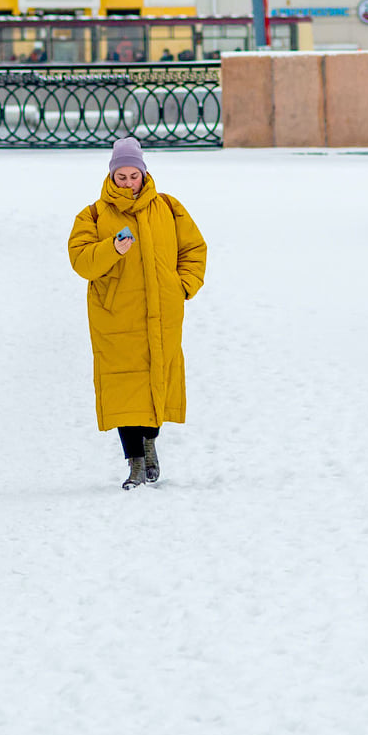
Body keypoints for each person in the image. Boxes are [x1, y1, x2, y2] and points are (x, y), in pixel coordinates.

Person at [67, 137, 208, 490]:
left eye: (133, 175)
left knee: (156, 380)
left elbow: (194, 249)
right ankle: (134, 464)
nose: (128, 182)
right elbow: (81, 261)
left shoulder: (168, 208)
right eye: (121, 177)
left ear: (144, 174)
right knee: (124, 389)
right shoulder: (94, 215)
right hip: (116, 317)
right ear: (111, 176)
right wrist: (112, 248)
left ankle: (150, 446)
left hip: (162, 313)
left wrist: (182, 286)